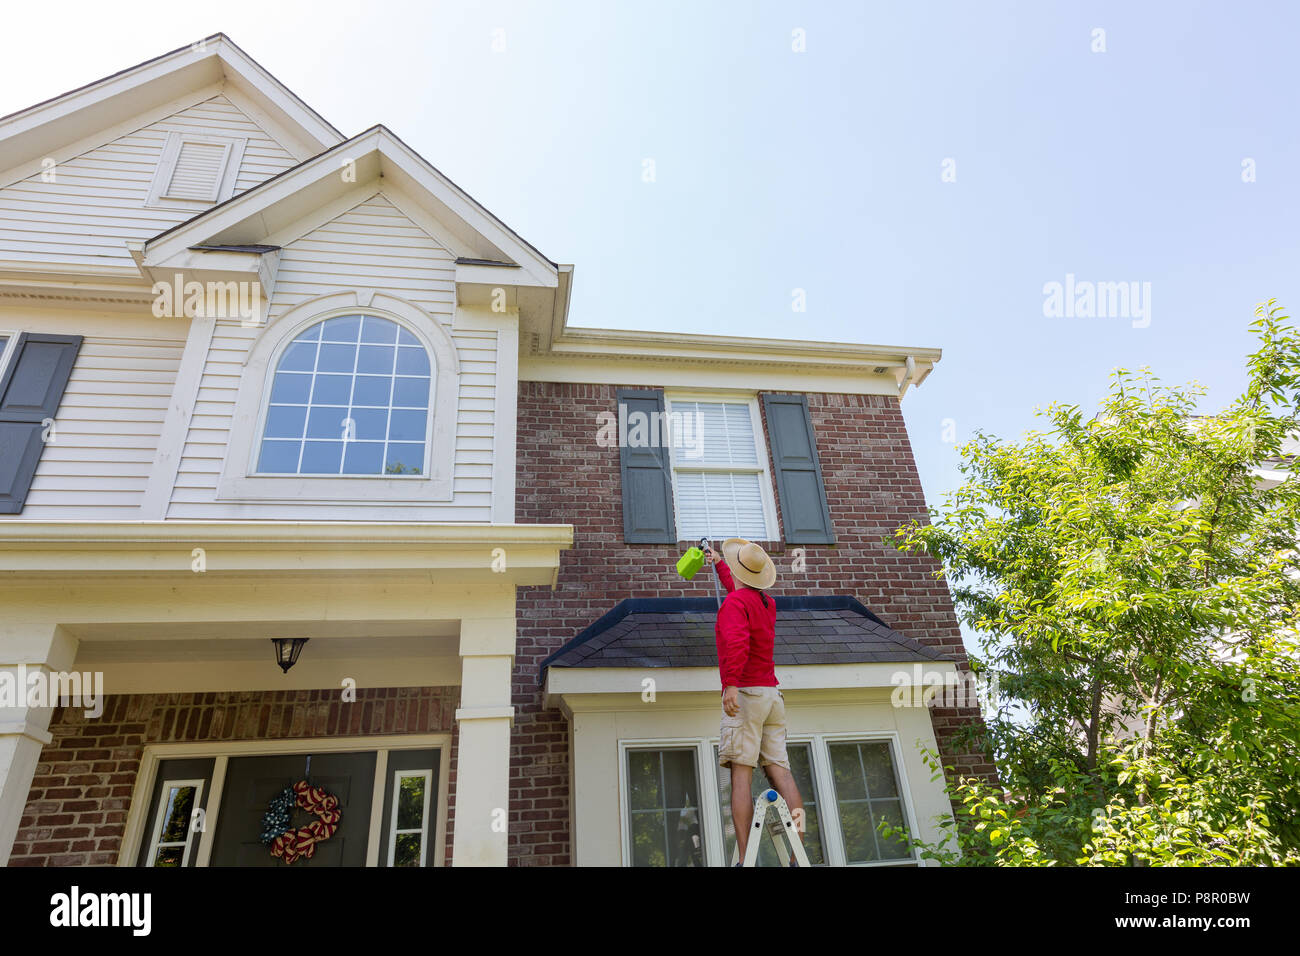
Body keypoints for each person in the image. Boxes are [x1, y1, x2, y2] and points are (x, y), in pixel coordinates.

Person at [705, 538, 805, 865]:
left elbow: (736, 641)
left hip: (747, 694)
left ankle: (745, 858)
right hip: (772, 696)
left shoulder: (735, 605)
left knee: (741, 773)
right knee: (782, 773)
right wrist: (719, 562)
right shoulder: (766, 603)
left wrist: (730, 684)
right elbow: (740, 592)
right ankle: (796, 853)